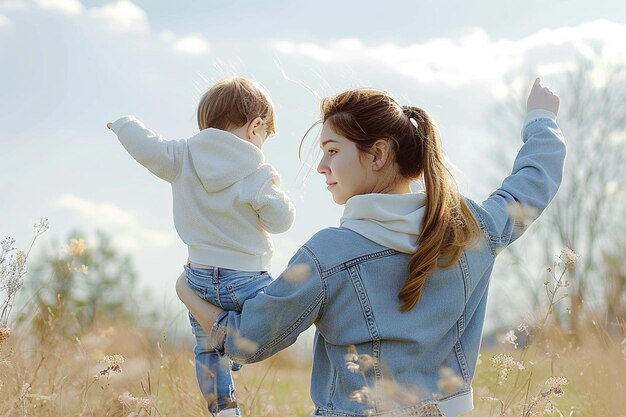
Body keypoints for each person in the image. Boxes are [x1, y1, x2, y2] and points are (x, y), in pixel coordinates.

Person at [175, 78, 565, 417]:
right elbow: (532, 184)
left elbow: (248, 341)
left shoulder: (327, 255)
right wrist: (541, 122)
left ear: (377, 154)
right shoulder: (470, 228)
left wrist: (187, 292)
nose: (322, 166)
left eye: (332, 149)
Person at [107, 77, 296, 417]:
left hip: (198, 278)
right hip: (248, 280)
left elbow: (147, 147)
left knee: (207, 347)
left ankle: (223, 407)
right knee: (279, 317)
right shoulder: (256, 169)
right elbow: (280, 221)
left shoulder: (182, 154)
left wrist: (124, 126)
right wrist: (273, 186)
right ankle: (236, 351)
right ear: (256, 127)